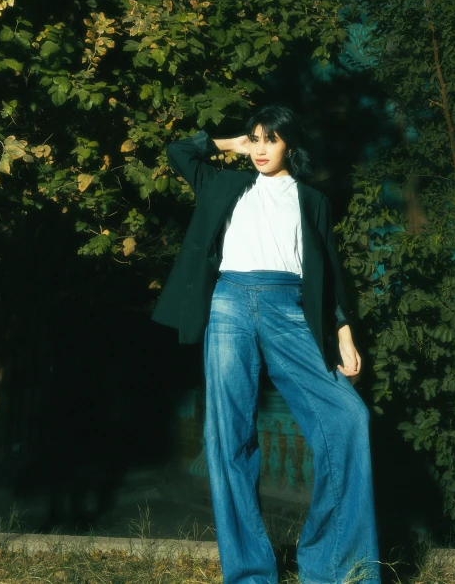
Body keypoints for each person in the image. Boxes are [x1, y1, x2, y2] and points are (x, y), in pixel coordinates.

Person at [152, 105, 380, 584]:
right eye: (254, 139)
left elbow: (330, 275)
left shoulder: (312, 200)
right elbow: (178, 151)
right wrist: (230, 143)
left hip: (289, 307)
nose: (259, 148)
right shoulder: (224, 185)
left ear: (290, 146)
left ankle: (334, 565)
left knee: (348, 418)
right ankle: (251, 574)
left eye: (269, 140)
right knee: (228, 437)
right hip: (229, 303)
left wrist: (343, 333)